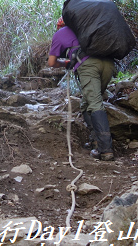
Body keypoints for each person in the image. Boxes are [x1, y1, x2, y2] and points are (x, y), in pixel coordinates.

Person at [48, 17, 116, 161]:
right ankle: (95, 140)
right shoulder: (89, 26)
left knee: (95, 102)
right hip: (108, 63)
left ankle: (105, 149)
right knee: (86, 103)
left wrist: (66, 63)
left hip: (88, 67)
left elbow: (52, 62)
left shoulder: (60, 34)